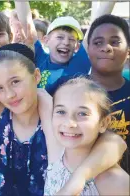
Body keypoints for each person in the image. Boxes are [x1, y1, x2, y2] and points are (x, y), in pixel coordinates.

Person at [0, 43, 126, 196]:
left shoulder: (55, 115)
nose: (9, 95)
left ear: (36, 76)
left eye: (15, 82)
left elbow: (114, 142)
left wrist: (80, 177)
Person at [50, 14, 130, 174]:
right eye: (98, 42)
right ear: (88, 49)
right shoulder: (65, 86)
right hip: (65, 178)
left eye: (115, 42)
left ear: (128, 50)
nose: (106, 47)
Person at [41, 77, 129, 195]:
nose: (69, 123)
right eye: (61, 112)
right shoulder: (56, 151)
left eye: (82, 113)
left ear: (103, 123)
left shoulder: (115, 181)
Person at [15, 1, 115, 93]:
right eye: (60, 37)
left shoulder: (78, 63)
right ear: (46, 40)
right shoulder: (40, 57)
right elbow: (27, 22)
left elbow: (96, 25)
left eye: (71, 39)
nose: (66, 42)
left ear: (77, 47)